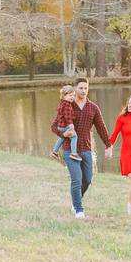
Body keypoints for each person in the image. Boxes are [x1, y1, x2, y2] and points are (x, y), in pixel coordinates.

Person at [51, 77, 112, 219]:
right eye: (80, 88)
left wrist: (108, 145)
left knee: (87, 180)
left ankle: (76, 201)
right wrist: (63, 133)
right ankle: (79, 209)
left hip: (86, 148)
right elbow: (54, 126)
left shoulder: (93, 108)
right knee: (76, 180)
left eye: (86, 88)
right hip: (69, 149)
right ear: (75, 89)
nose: (83, 91)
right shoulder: (67, 105)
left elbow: (101, 128)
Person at [50, 85, 81, 162]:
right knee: (74, 136)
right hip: (65, 126)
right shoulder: (67, 105)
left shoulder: (62, 103)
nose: (72, 97)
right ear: (64, 96)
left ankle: (55, 151)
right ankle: (74, 153)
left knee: (62, 137)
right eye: (70, 95)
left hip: (60, 126)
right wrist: (71, 124)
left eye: (73, 95)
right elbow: (67, 116)